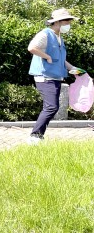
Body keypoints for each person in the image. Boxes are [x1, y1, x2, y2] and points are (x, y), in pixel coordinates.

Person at [27, 8, 83, 143]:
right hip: (45, 76)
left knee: (52, 106)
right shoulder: (45, 34)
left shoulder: (59, 37)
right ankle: (35, 136)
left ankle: (37, 136)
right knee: (51, 107)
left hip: (55, 76)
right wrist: (47, 57)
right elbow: (32, 48)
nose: (69, 24)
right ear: (58, 22)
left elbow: (61, 59)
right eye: (67, 21)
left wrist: (75, 70)